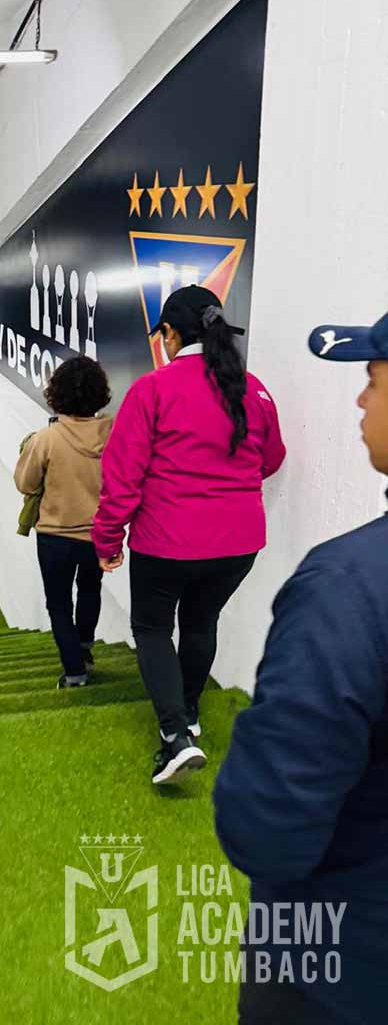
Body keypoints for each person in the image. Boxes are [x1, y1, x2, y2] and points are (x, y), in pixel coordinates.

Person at [215, 308, 388, 1025]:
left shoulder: (347, 588)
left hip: (338, 974)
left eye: (373, 378)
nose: (360, 400)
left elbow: (267, 829)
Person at [92, 285, 286, 785]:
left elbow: (123, 477)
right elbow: (271, 459)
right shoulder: (254, 389)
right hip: (238, 545)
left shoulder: (152, 389)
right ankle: (190, 712)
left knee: (153, 628)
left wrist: (107, 541)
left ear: (170, 333)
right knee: (201, 623)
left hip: (166, 543)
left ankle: (175, 736)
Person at [14, 356, 113, 688]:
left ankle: (74, 671)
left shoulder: (46, 439)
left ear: (57, 393)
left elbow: (25, 484)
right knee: (90, 590)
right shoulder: (114, 433)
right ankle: (83, 650)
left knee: (58, 604)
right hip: (98, 534)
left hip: (55, 537)